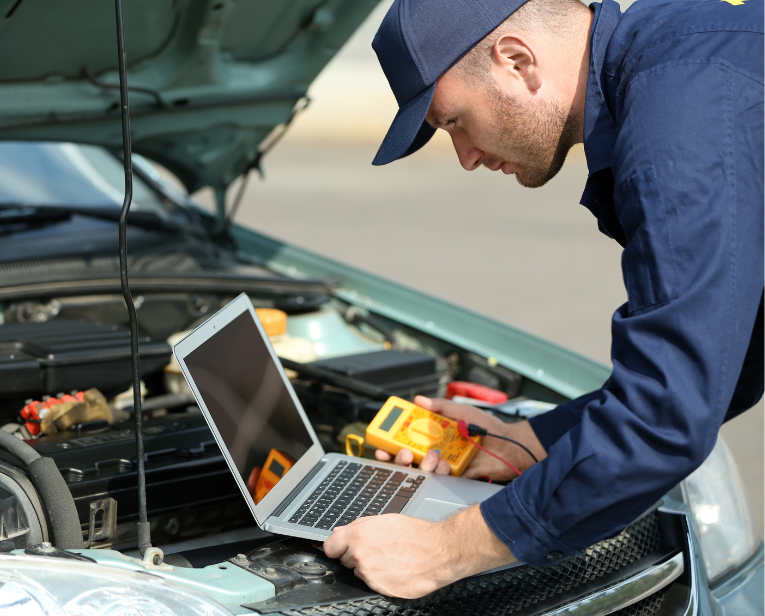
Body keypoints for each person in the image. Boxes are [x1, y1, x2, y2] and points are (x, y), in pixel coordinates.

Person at [323, 0, 764, 599]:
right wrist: (532, 442)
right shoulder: (687, 53)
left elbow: (667, 416)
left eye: (453, 122)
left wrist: (443, 550)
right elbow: (730, 365)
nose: (466, 157)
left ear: (516, 60)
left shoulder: (679, 118)